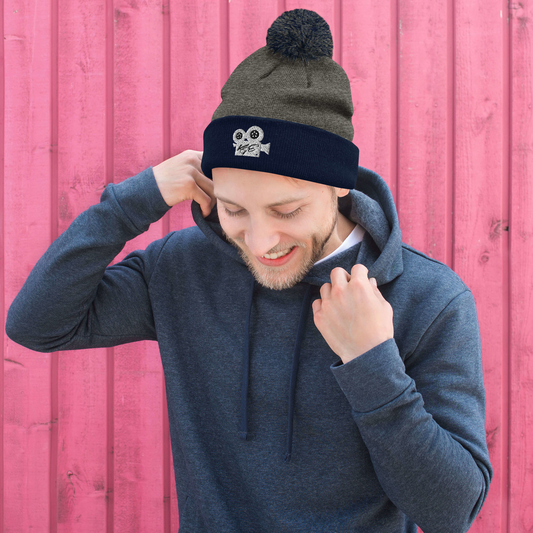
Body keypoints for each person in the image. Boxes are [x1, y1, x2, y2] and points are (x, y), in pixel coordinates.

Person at [5, 8, 492, 533]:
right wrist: (132, 203)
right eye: (234, 210)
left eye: (287, 211)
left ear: (339, 184)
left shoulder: (428, 298)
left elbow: (451, 512)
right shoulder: (182, 268)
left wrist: (372, 364)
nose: (260, 243)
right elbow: (37, 324)